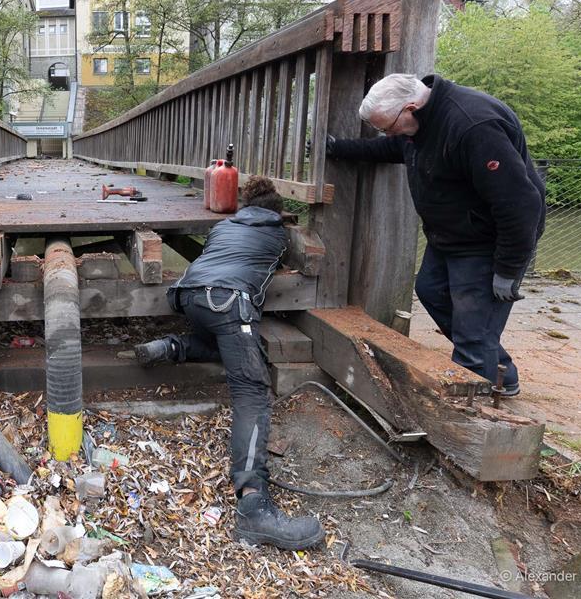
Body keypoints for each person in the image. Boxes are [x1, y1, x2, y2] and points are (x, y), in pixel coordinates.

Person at [132, 175, 325, 551]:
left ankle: (173, 348)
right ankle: (253, 507)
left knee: (244, 352)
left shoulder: (223, 227)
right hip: (228, 302)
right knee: (252, 389)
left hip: (188, 297)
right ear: (276, 212)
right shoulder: (277, 235)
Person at [328, 73, 546, 395]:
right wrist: (339, 149)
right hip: (450, 236)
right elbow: (392, 147)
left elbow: (520, 202)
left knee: (473, 334)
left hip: (487, 242)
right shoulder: (419, 125)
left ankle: (471, 414)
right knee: (431, 291)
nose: (387, 133)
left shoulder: (473, 126)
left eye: (387, 126)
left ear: (411, 108)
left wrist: (508, 269)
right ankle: (501, 372)